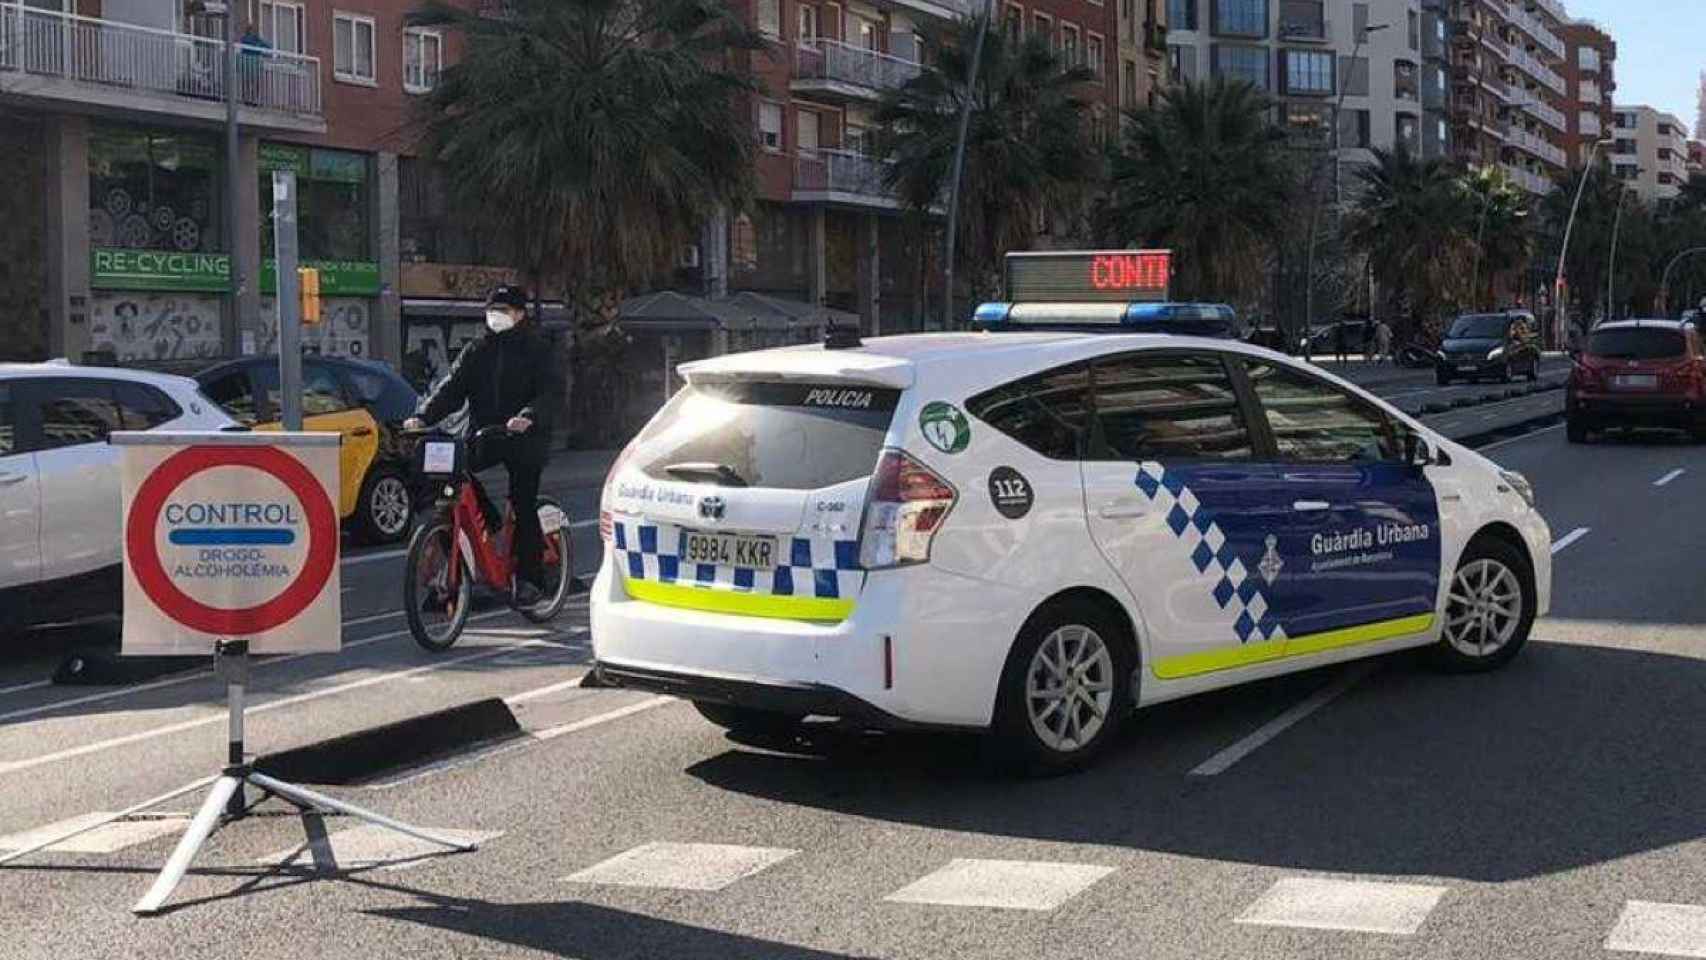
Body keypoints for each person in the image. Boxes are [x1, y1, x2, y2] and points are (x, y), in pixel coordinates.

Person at [405, 286, 564, 604]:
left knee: (522, 500)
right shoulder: (477, 350)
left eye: (504, 310)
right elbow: (451, 387)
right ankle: (486, 525)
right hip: (485, 433)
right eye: (493, 310)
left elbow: (552, 392)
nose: (497, 316)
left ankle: (530, 578)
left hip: (525, 437)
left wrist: (529, 415)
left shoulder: (538, 350)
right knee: (454, 475)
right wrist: (422, 417)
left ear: (520, 314)